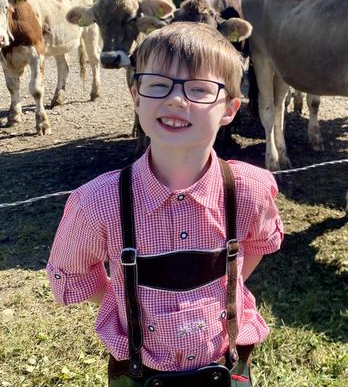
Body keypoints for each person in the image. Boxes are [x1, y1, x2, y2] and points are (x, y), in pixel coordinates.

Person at [47, 22, 283, 387]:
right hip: (141, 371)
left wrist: (227, 283)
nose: (176, 100)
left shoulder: (250, 189)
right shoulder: (96, 202)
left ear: (229, 110)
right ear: (136, 97)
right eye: (158, 85)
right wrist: (126, 298)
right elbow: (72, 272)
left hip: (227, 365)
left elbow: (258, 242)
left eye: (200, 90)